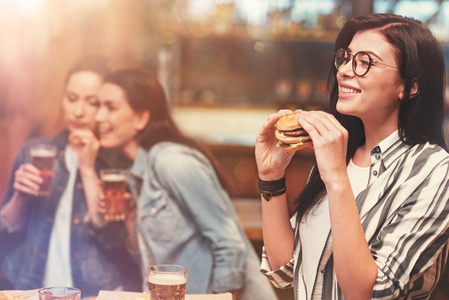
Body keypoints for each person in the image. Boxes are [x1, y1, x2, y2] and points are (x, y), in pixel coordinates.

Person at [256, 13, 449, 300]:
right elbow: (286, 268)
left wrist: (336, 179)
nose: (345, 70)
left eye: (365, 62)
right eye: (346, 58)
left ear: (410, 86)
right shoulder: (339, 153)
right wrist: (271, 178)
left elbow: (367, 292)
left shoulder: (433, 171)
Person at [91, 67, 277, 300]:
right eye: (97, 106)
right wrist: (131, 216)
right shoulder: (140, 172)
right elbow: (153, 258)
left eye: (110, 107)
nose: (98, 117)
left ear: (141, 118)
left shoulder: (171, 161)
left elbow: (229, 243)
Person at [0, 56, 140, 297]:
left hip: (93, 291)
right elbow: (7, 230)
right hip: (32, 286)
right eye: (71, 99)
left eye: (92, 102)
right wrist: (20, 197)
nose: (78, 111)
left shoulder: (119, 163)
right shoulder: (35, 151)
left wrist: (87, 168)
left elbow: (113, 241)